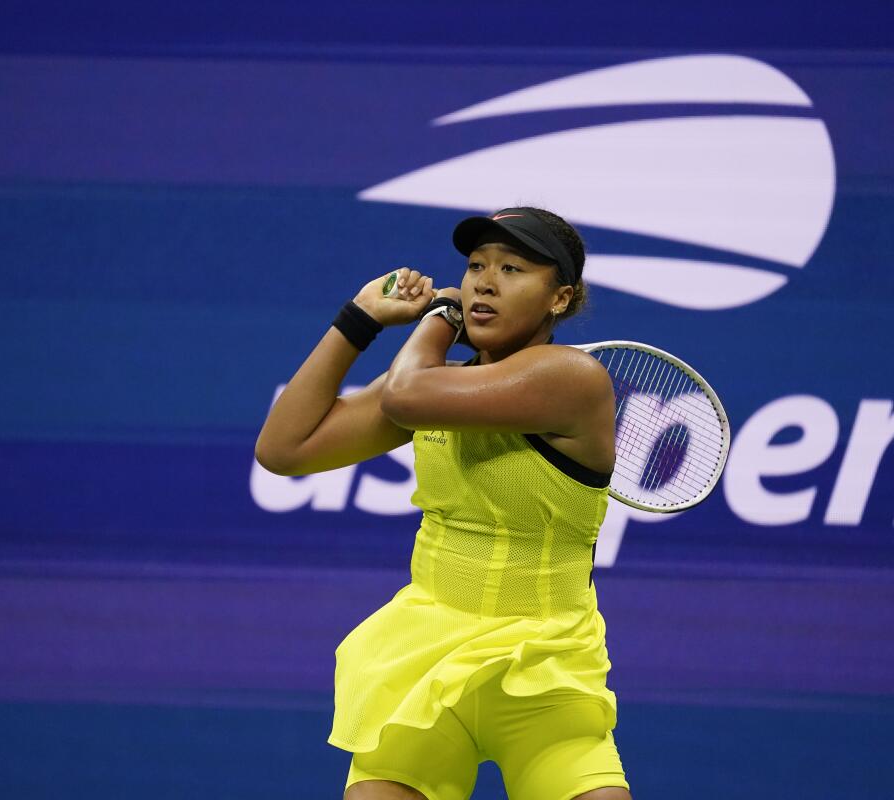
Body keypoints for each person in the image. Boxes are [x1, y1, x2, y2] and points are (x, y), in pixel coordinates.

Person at [255, 207, 631, 800]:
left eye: (512, 268)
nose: (485, 280)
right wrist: (360, 318)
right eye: (476, 266)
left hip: (545, 677)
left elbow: (406, 393)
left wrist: (443, 311)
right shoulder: (438, 389)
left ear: (560, 298)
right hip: (421, 664)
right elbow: (284, 448)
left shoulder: (571, 377)